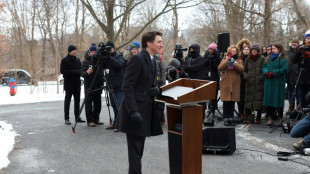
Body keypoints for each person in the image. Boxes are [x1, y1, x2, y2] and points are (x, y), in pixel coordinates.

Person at [118, 31, 163, 174]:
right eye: (159, 42)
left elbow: (143, 83)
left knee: (138, 151)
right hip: (135, 112)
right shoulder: (137, 59)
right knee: (135, 152)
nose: (161, 44)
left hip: (145, 110)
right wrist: (133, 110)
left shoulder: (152, 60)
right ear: (149, 43)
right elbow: (127, 86)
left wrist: (154, 90)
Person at [262, 44, 288, 126]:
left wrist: (274, 72)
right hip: (269, 81)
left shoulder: (284, 58)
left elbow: (284, 68)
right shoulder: (267, 58)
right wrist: (266, 72)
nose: (272, 50)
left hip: (278, 81)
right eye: (272, 48)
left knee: (278, 99)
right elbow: (263, 66)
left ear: (279, 49)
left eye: (274, 48)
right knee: (269, 98)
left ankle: (280, 117)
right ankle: (270, 116)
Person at [218, 45, 244, 126]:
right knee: (226, 102)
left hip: (235, 84)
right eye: (231, 51)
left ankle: (231, 118)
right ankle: (226, 118)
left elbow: (241, 69)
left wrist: (234, 63)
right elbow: (219, 68)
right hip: (226, 83)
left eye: (234, 51)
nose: (232, 52)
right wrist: (226, 61)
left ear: (236, 52)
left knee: (232, 101)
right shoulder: (224, 58)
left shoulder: (239, 60)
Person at [60, 45, 85, 125]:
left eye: (75, 50)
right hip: (68, 84)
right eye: (74, 50)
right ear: (69, 51)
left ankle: (77, 117)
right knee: (67, 102)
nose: (75, 51)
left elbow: (80, 71)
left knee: (77, 102)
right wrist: (75, 72)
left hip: (77, 84)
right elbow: (62, 71)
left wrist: (80, 72)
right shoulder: (64, 60)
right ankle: (66, 118)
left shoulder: (78, 60)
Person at [104, 41, 126, 132]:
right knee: (113, 105)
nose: (108, 50)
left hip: (119, 86)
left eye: (109, 48)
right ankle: (115, 123)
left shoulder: (118, 56)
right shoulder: (106, 57)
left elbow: (120, 65)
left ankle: (120, 125)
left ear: (112, 48)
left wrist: (110, 58)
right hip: (110, 85)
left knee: (119, 106)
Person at [81, 43, 104, 127]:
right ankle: (90, 120)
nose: (93, 53)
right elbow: (82, 73)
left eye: (95, 52)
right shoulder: (85, 61)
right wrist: (87, 72)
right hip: (89, 86)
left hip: (98, 85)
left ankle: (96, 119)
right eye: (92, 52)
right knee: (89, 104)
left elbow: (101, 72)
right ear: (89, 52)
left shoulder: (99, 61)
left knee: (98, 104)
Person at [243, 43, 265, 124]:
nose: (254, 52)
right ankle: (246, 117)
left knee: (259, 100)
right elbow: (244, 70)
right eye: (253, 50)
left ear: (258, 51)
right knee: (248, 101)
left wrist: (261, 77)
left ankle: (258, 118)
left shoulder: (262, 58)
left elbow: (264, 69)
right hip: (249, 83)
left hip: (259, 83)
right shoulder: (247, 59)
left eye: (255, 50)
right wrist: (246, 77)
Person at [292, 29, 310, 109]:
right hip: (302, 78)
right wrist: (298, 52)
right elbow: (293, 60)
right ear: (304, 39)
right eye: (308, 38)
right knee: (303, 98)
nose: (309, 40)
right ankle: (303, 114)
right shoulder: (300, 48)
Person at [203, 43, 221, 115]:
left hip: (214, 76)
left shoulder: (217, 56)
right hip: (207, 76)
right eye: (209, 49)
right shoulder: (206, 55)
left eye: (211, 49)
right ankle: (209, 107)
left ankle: (213, 108)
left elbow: (218, 67)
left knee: (214, 93)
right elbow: (203, 64)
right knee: (208, 93)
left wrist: (213, 61)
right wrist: (208, 59)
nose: (210, 50)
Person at [286, 38, 302, 115]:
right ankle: (291, 109)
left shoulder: (301, 51)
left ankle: (298, 111)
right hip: (290, 78)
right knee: (290, 94)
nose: (294, 44)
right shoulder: (287, 53)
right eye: (293, 42)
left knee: (299, 94)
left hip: (299, 77)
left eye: (296, 42)